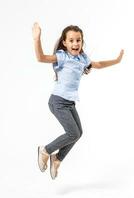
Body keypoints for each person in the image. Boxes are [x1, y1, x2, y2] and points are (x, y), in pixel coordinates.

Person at [32, 22, 124, 180]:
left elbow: (99, 64)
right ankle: (45, 150)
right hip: (58, 102)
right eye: (72, 40)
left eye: (78, 40)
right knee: (73, 133)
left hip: (69, 103)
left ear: (82, 41)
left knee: (78, 133)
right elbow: (41, 58)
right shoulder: (62, 56)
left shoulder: (83, 59)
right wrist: (37, 39)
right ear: (65, 42)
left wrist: (117, 60)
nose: (75, 43)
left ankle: (57, 159)